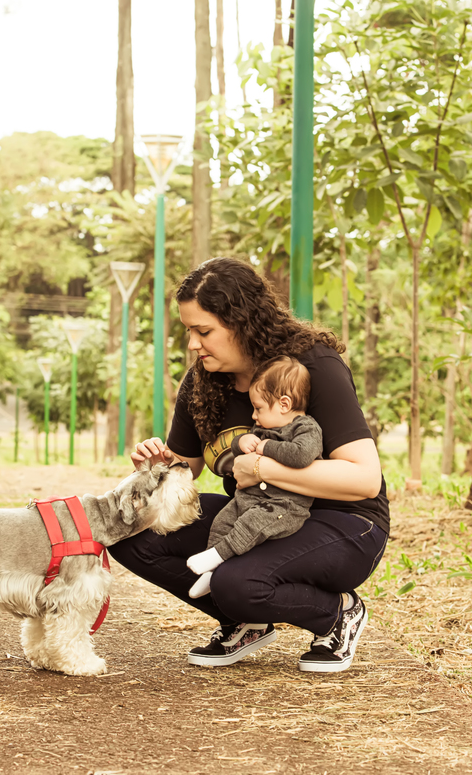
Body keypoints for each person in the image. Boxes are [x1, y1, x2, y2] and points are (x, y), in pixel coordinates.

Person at [108, 257, 389, 674]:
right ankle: (244, 620)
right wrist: (157, 465)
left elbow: (364, 479)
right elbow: (187, 465)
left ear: (242, 322)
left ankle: (337, 613)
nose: (193, 344)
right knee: (132, 527)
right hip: (255, 514)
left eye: (204, 331)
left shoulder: (310, 368)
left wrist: (261, 468)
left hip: (343, 523)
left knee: (236, 583)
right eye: (189, 332)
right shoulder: (203, 381)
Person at [186, 355, 324, 600]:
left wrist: (265, 447)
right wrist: (242, 442)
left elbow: (301, 455)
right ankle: (211, 571)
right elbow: (241, 449)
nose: (253, 415)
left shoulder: (306, 428)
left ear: (284, 404)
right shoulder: (263, 429)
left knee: (251, 524)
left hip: (284, 507)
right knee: (222, 521)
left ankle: (217, 556)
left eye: (258, 408)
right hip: (249, 498)